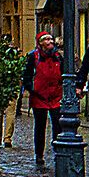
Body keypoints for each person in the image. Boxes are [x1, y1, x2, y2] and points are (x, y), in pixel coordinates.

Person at [29, 34, 65, 168]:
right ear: (41, 42)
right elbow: (27, 74)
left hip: (55, 96)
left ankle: (58, 150)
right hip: (39, 97)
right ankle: (39, 154)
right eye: (47, 39)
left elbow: (63, 72)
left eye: (51, 39)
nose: (50, 41)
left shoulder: (57, 56)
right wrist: (32, 89)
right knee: (40, 126)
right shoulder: (34, 56)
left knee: (58, 123)